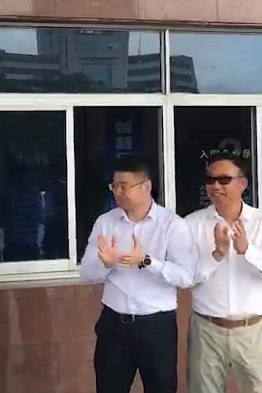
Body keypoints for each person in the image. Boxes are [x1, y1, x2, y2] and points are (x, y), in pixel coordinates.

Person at [79, 155, 195, 393]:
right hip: (114, 325)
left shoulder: (172, 225)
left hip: (156, 326)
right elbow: (86, 274)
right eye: (114, 185)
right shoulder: (106, 222)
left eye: (124, 186)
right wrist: (107, 264)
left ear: (146, 187)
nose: (118, 192)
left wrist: (147, 262)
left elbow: (186, 276)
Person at [185, 155, 262, 393]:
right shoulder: (193, 224)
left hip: (252, 329)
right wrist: (216, 255)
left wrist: (248, 251)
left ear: (243, 184)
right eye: (210, 180)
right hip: (207, 329)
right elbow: (186, 277)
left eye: (223, 180)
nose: (216, 186)